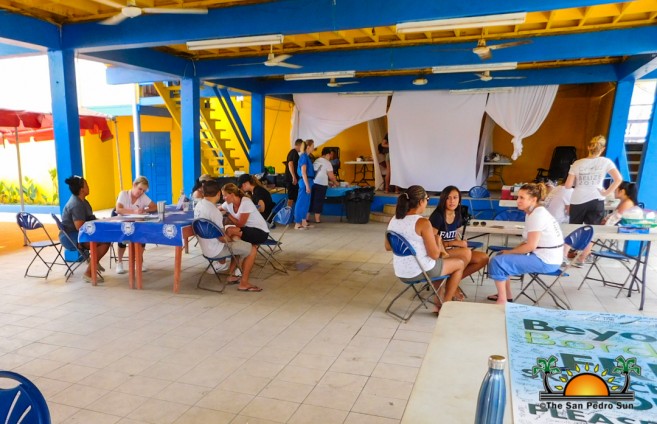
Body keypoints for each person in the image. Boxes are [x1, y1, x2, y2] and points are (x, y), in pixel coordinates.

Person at [385, 185, 465, 313]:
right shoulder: (422, 222)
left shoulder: (394, 219)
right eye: (427, 199)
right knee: (459, 264)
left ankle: (438, 301)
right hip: (419, 270)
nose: (427, 202)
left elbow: (388, 246)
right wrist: (437, 242)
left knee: (440, 265)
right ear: (421, 201)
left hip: (401, 272)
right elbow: (434, 255)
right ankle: (446, 304)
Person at [486, 183, 564, 304]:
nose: (518, 201)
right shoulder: (532, 213)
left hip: (546, 260)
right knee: (502, 256)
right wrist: (509, 252)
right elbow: (527, 242)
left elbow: (530, 246)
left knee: (498, 262)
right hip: (544, 256)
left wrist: (510, 252)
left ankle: (502, 301)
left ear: (533, 200)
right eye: (518, 197)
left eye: (522, 198)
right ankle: (507, 295)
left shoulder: (538, 215)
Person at [564, 135, 622, 265]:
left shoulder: (577, 163)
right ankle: (582, 259)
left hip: (578, 199)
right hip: (596, 199)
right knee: (592, 230)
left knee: (573, 229)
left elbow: (568, 185)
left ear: (588, 147)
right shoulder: (605, 162)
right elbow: (618, 179)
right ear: (603, 148)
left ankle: (564, 256)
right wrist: (606, 192)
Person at [194, 180, 261, 292]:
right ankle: (244, 283)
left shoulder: (199, 205)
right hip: (217, 250)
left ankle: (232, 275)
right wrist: (232, 239)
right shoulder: (214, 211)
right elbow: (222, 238)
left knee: (238, 241)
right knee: (252, 249)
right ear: (219, 193)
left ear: (203, 192)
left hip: (206, 249)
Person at [428, 185, 489, 288]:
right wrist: (452, 243)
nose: (452, 201)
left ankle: (453, 282)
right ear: (443, 200)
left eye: (455, 197)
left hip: (452, 251)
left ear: (459, 200)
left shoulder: (457, 214)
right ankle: (452, 287)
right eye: (448, 198)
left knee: (483, 258)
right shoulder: (437, 216)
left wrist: (460, 242)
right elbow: (431, 242)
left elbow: (454, 235)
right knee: (466, 252)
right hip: (440, 254)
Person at [59, 175, 110, 283]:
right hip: (71, 237)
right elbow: (80, 227)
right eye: (86, 185)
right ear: (82, 189)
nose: (89, 187)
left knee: (105, 238)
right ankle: (89, 271)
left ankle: (93, 262)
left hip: (79, 234)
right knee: (105, 241)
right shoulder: (76, 204)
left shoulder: (83, 202)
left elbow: (90, 219)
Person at [114, 176, 156, 274]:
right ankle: (119, 262)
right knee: (122, 239)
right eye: (140, 189)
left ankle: (139, 261)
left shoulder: (143, 197)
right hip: (124, 223)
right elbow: (118, 209)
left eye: (144, 191)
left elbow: (154, 206)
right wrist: (134, 211)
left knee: (142, 237)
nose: (141, 192)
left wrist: (145, 210)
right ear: (134, 185)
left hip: (137, 223)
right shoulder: (123, 194)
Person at [309, 147, 339, 224]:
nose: (331, 157)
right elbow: (331, 176)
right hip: (321, 184)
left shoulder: (316, 161)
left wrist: (328, 182)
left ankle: (306, 218)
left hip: (312, 183)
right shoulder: (327, 163)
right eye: (331, 155)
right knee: (318, 201)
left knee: (311, 200)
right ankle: (317, 219)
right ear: (327, 154)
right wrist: (336, 183)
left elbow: (319, 173)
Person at [293, 139, 315, 230]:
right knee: (301, 202)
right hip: (305, 182)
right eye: (313, 146)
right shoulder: (303, 157)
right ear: (308, 147)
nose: (314, 148)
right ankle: (297, 223)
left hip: (309, 181)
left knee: (306, 203)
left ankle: (304, 221)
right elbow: (303, 172)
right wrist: (307, 185)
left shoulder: (307, 157)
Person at [285, 139, 303, 207]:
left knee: (294, 197)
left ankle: (293, 211)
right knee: (291, 198)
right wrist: (294, 177)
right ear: (299, 145)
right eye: (302, 146)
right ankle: (287, 212)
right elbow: (290, 164)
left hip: (293, 179)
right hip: (291, 180)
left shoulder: (295, 153)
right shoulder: (293, 152)